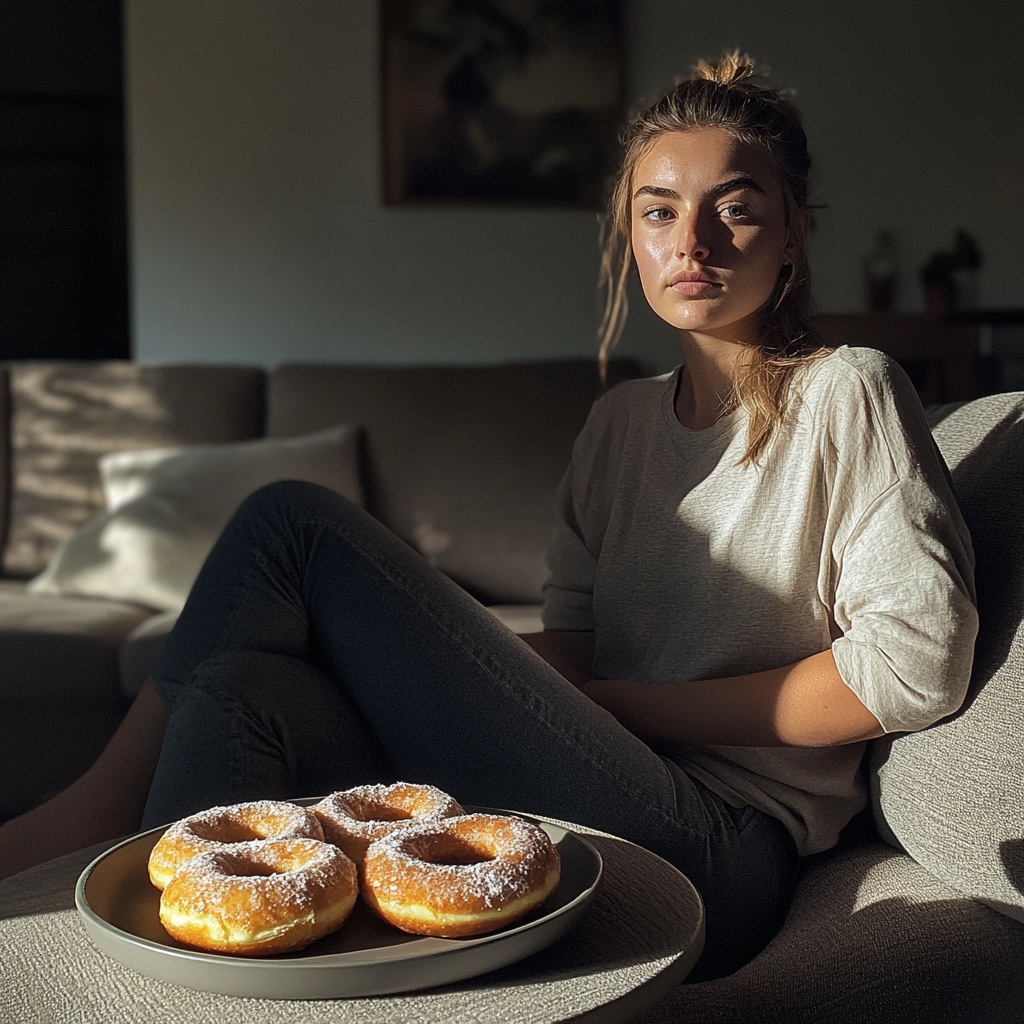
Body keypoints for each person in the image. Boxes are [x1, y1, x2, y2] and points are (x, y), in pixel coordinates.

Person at [0, 54, 978, 980]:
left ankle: (93, 808)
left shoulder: (848, 392)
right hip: (603, 771)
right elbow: (577, 649)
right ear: (627, 236)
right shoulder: (617, 426)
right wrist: (425, 650)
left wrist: (631, 705)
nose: (693, 242)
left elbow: (913, 663)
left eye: (735, 208)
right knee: (236, 687)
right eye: (659, 211)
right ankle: (194, 982)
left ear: (793, 230)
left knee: (291, 523)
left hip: (722, 846)